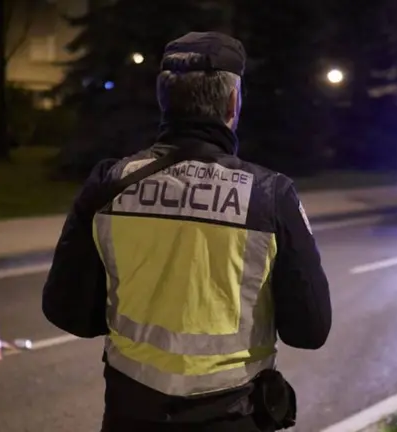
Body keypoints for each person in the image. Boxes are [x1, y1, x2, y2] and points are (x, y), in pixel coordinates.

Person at [43, 32, 332, 431]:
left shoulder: (110, 184)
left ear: (165, 99)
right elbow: (310, 329)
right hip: (233, 415)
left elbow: (65, 310)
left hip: (131, 414)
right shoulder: (269, 196)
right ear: (233, 103)